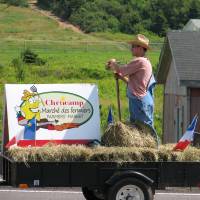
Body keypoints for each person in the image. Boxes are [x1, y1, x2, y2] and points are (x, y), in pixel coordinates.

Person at [106, 34, 159, 145]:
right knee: (141, 130)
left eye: (134, 46)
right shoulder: (145, 61)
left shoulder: (139, 61)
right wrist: (121, 77)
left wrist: (113, 62)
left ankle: (153, 148)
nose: (132, 48)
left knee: (142, 130)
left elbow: (120, 69)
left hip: (139, 101)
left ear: (140, 48)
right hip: (142, 99)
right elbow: (133, 83)